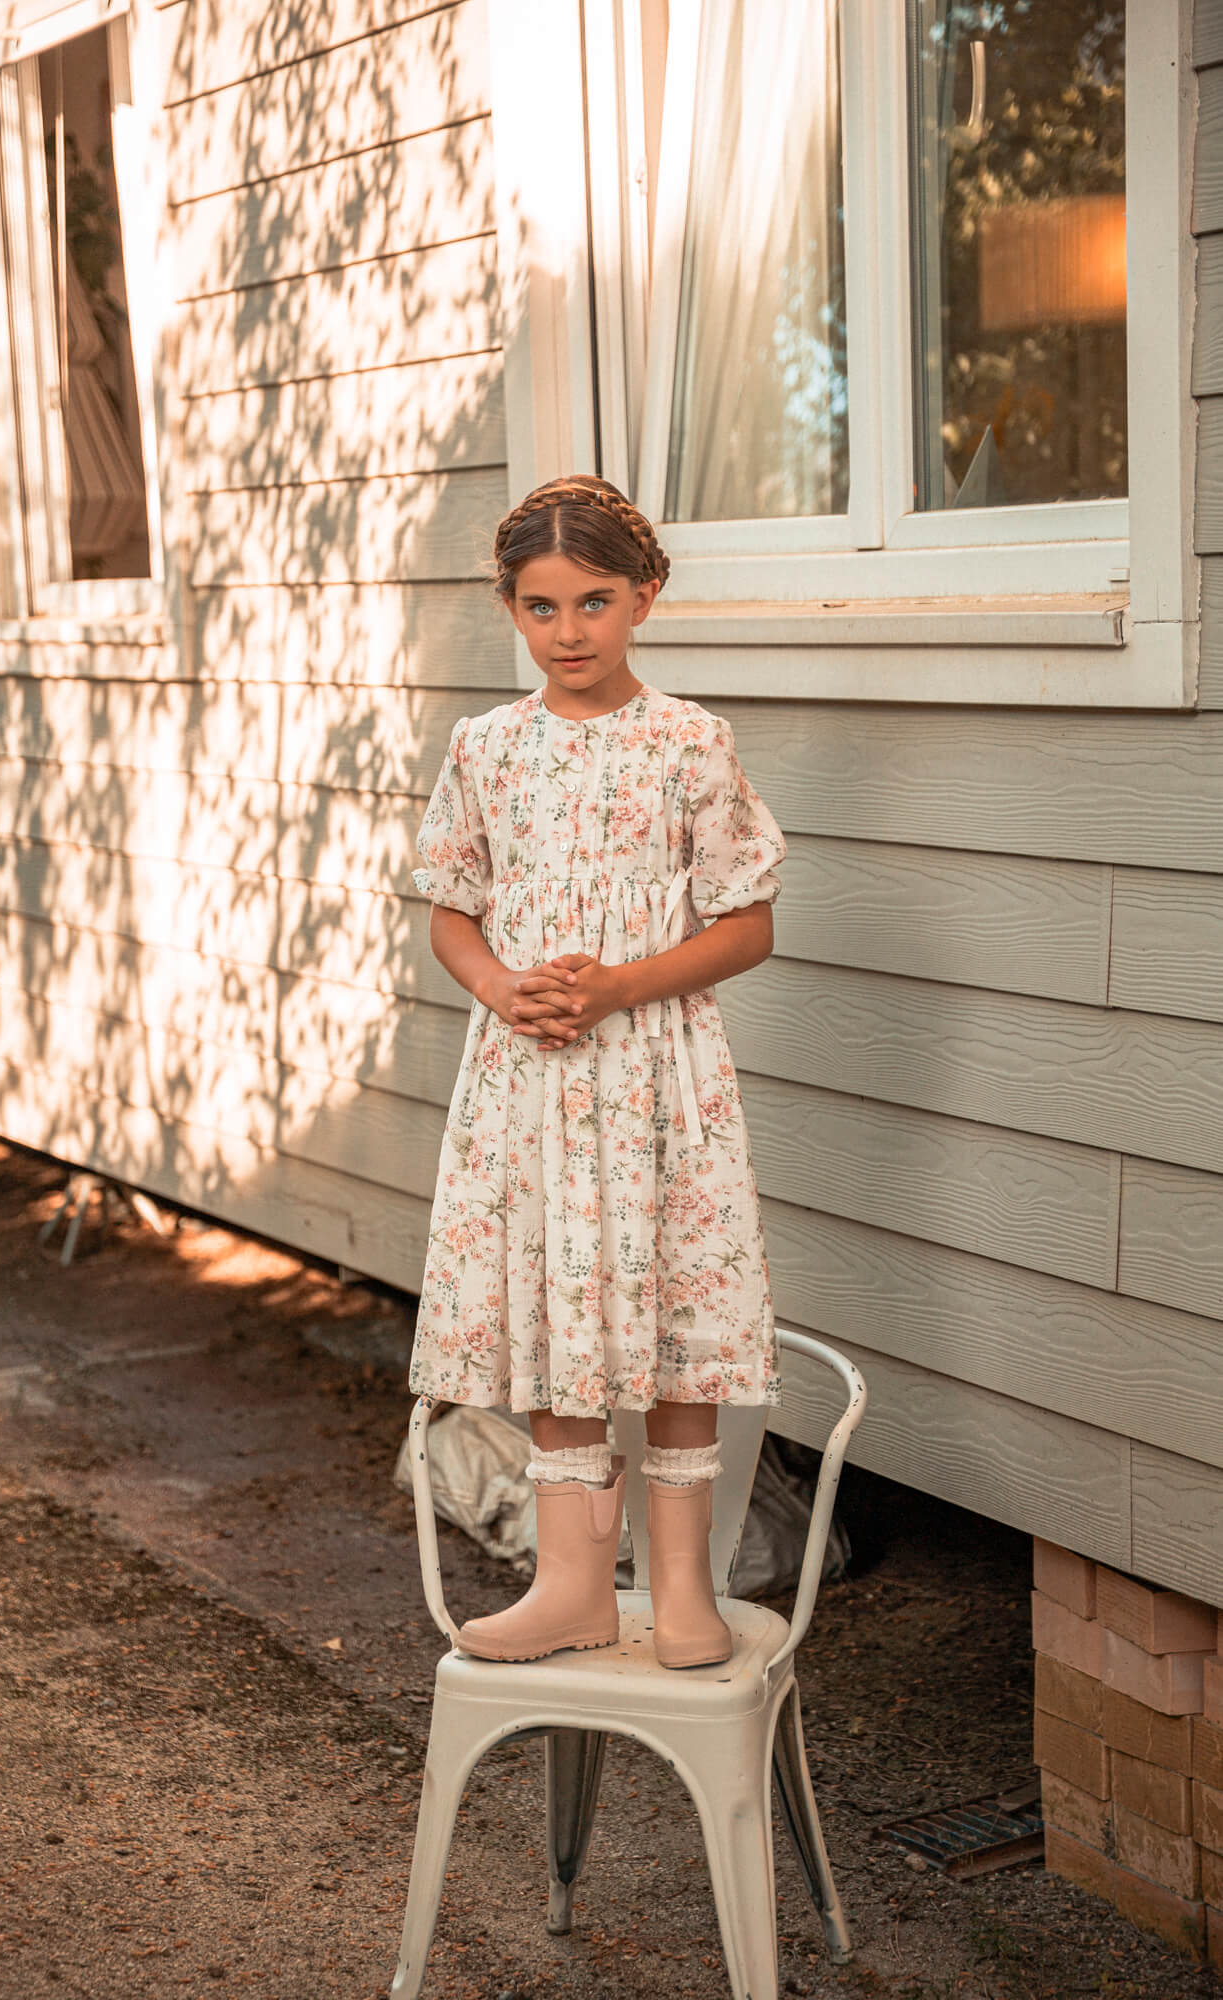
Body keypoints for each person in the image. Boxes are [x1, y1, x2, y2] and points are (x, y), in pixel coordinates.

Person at [409, 473, 786, 1670]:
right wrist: (498, 985)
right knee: (549, 1301)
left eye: (593, 602)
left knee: (676, 1305)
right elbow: (451, 913)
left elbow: (746, 922)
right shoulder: (485, 749)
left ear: (645, 598)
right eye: (540, 606)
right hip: (529, 1079)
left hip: (656, 1077)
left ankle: (681, 1585)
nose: (567, 631)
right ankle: (571, 1580)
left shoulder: (689, 744)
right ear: (509, 610)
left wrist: (624, 981)